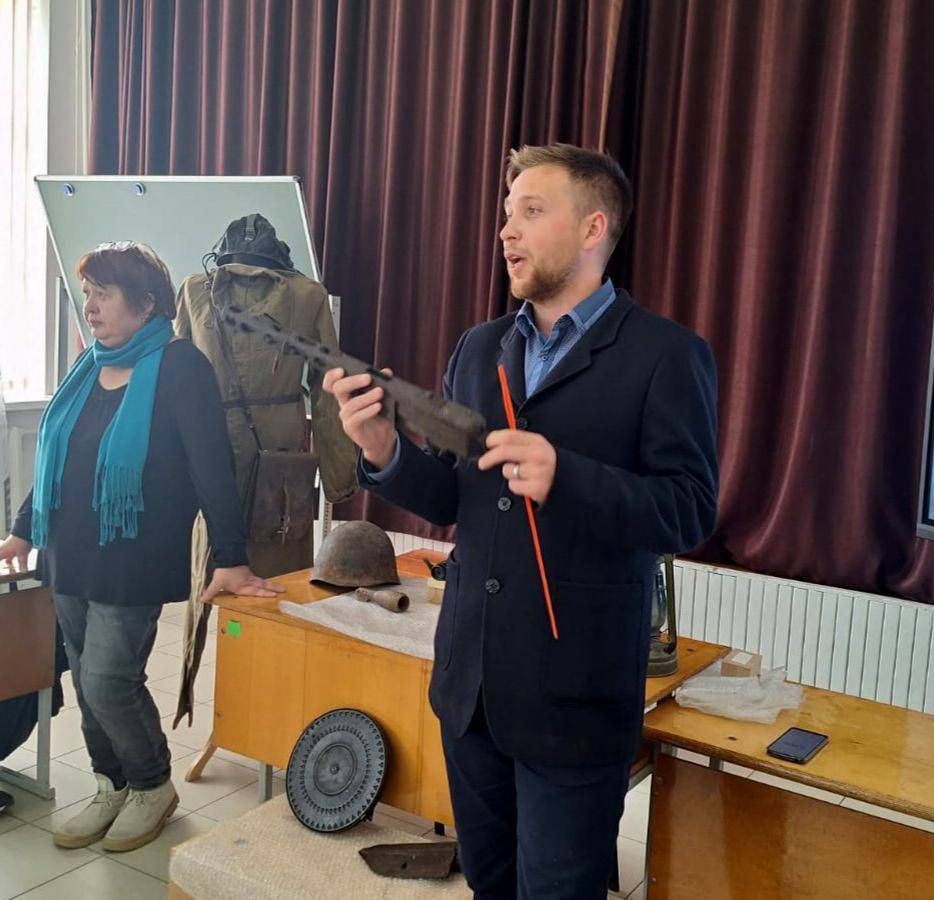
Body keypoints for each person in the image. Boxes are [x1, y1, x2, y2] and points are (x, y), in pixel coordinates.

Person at [325, 144, 718, 898]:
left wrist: (567, 477)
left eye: (532, 212)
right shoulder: (480, 348)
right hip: (470, 691)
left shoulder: (667, 356)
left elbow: (690, 509)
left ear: (594, 228)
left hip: (576, 701)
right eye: (508, 213)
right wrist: (382, 450)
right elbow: (454, 499)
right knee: (490, 883)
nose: (506, 230)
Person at [0, 242, 281, 853]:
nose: (90, 306)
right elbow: (58, 455)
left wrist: (231, 557)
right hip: (68, 554)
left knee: (108, 680)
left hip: (134, 559)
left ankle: (153, 785)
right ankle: (113, 783)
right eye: (88, 293)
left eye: (103, 294)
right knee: (84, 679)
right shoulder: (89, 363)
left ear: (146, 303)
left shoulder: (180, 367)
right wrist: (23, 529)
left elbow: (213, 467)